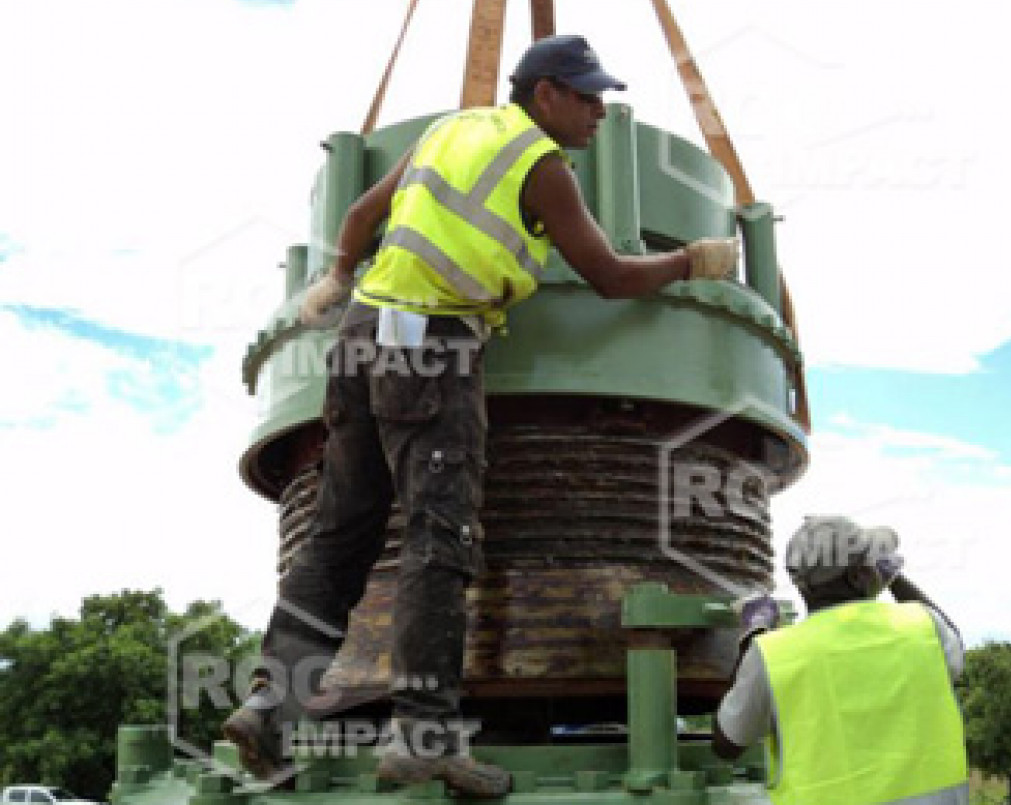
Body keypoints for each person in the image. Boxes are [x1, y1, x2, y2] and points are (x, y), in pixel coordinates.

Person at [222, 34, 740, 797]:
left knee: (340, 534)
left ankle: (270, 703)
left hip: (361, 338)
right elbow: (608, 274)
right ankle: (423, 734)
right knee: (443, 539)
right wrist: (691, 262)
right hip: (432, 349)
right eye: (586, 94)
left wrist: (334, 280)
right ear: (544, 95)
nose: (601, 109)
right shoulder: (544, 167)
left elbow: (364, 212)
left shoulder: (450, 130)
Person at [714, 516, 969, 805]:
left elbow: (728, 744)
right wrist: (895, 580)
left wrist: (753, 634)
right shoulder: (921, 625)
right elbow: (955, 648)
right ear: (858, 575)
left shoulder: (772, 653)